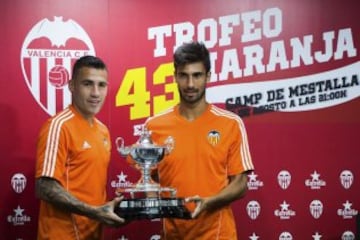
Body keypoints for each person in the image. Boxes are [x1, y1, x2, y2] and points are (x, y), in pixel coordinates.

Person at [144, 41, 254, 239]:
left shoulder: (230, 123)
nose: (191, 84)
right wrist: (148, 199)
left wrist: (208, 202)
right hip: (174, 235)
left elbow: (240, 184)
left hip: (218, 235)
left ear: (208, 76)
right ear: (175, 77)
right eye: (184, 76)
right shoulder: (154, 126)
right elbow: (149, 177)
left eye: (197, 75)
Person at [35, 55, 125, 240]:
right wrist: (93, 212)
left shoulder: (103, 130)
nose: (95, 93)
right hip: (62, 235)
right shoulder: (59, 126)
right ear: (71, 86)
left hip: (92, 233)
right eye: (87, 84)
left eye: (101, 85)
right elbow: (44, 186)